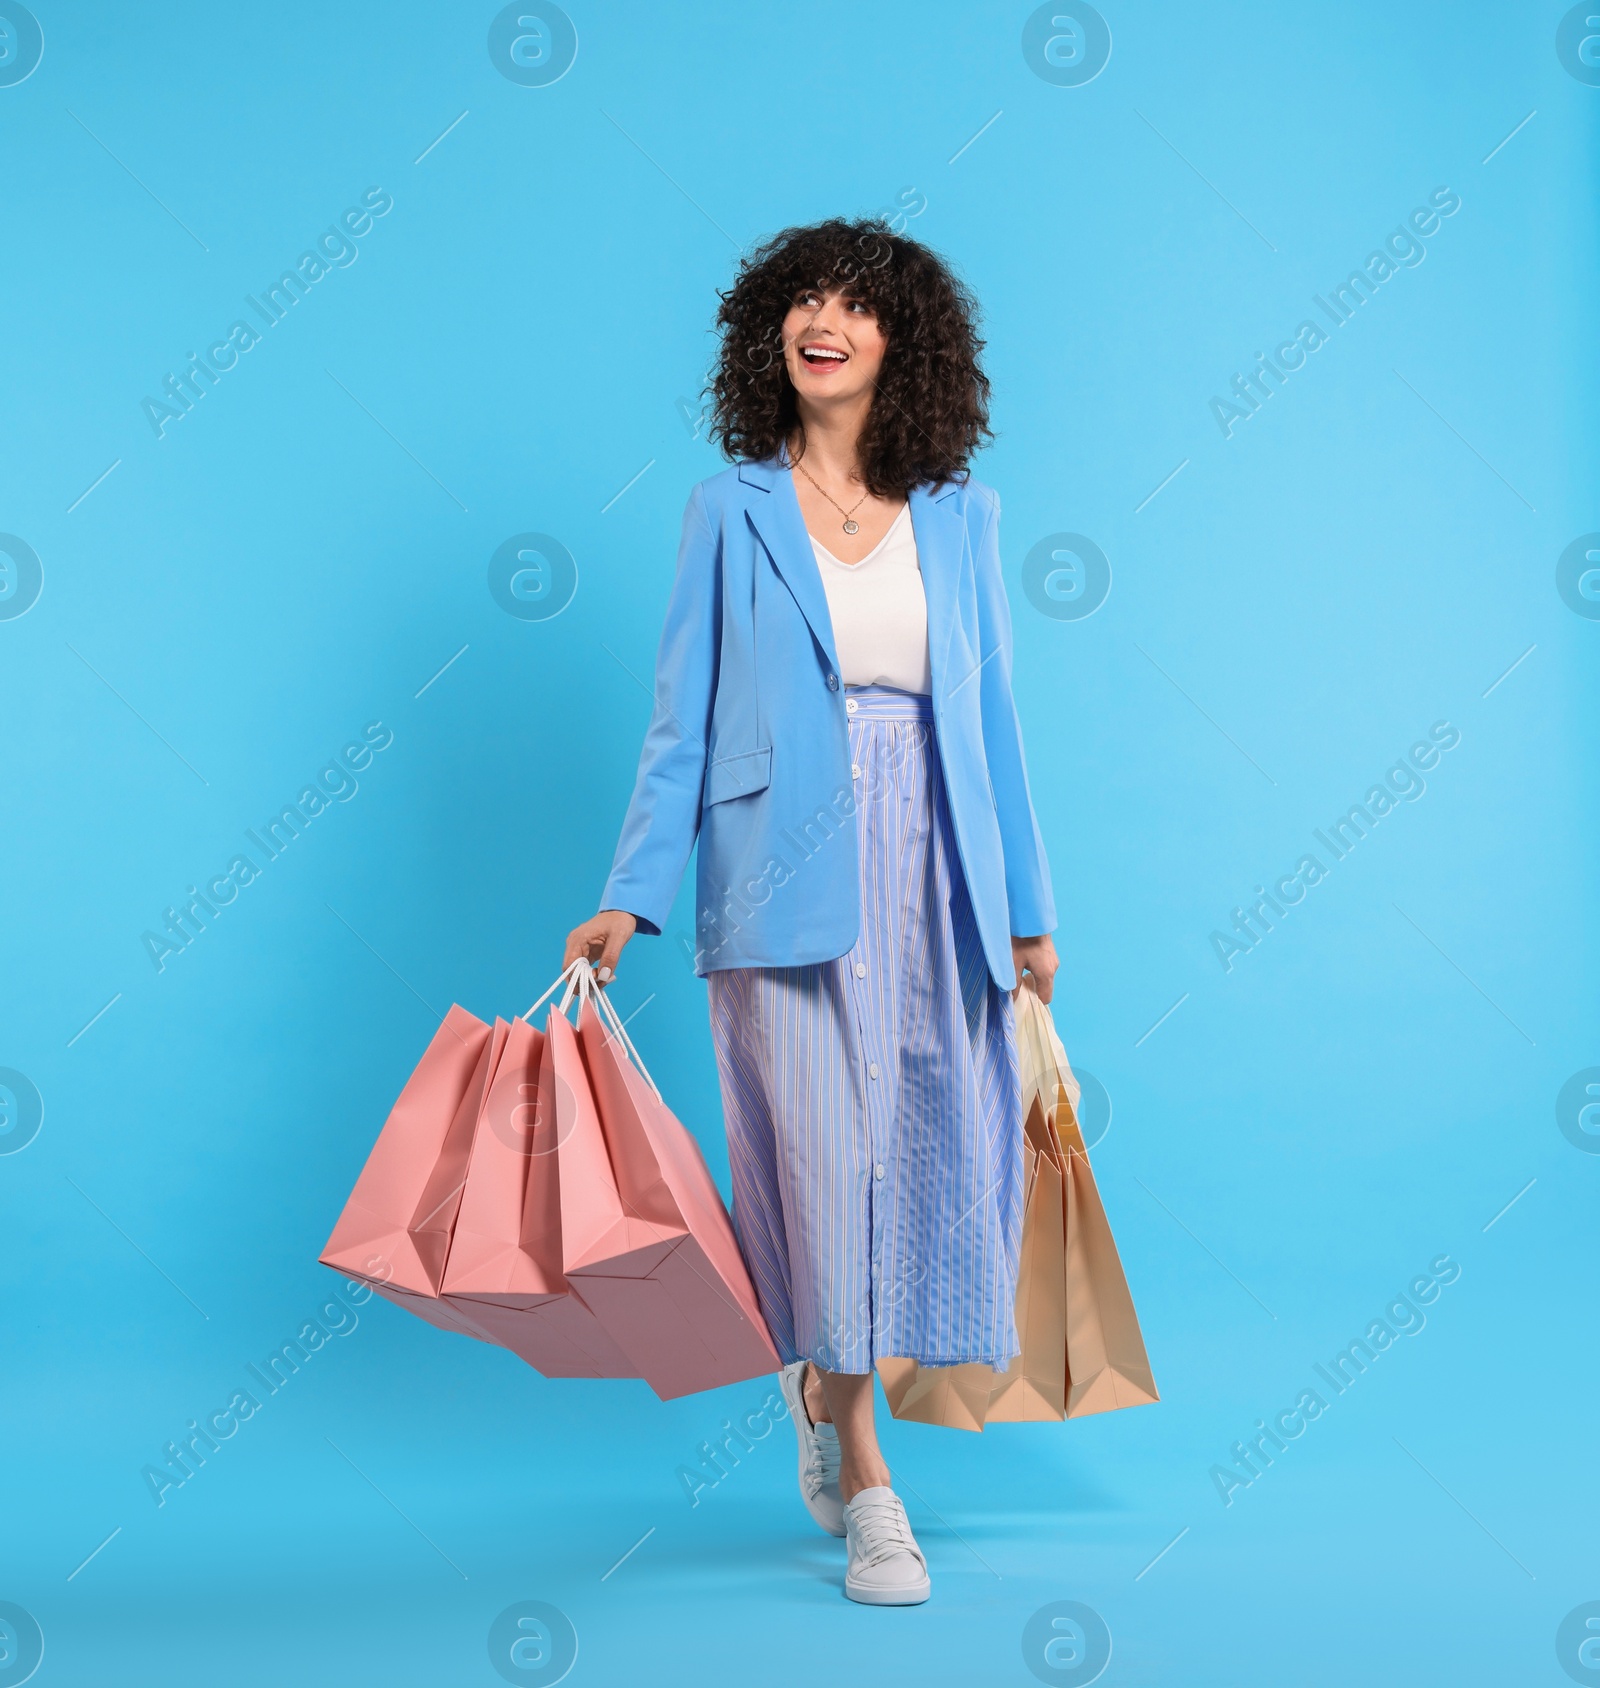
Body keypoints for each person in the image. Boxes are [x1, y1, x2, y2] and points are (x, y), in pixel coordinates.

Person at [563, 217, 1057, 1606]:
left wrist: (1027, 909)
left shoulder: (965, 515)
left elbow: (996, 717)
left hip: (941, 870)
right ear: (768, 338)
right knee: (823, 1167)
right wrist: (628, 900)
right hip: (780, 874)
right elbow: (681, 725)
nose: (820, 318)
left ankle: (835, 1395)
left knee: (937, 1154)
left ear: (905, 346)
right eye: (800, 300)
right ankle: (868, 1472)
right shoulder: (729, 509)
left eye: (854, 303)